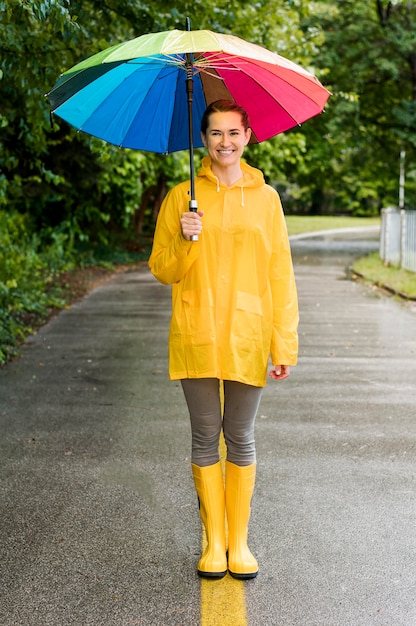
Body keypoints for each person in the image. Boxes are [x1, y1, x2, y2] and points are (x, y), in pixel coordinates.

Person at [148, 100, 298, 580]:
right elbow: (162, 269)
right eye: (215, 134)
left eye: (234, 133)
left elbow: (281, 274)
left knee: (241, 435)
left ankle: (240, 543)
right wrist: (185, 239)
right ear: (203, 139)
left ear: (249, 136)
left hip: (249, 332)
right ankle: (213, 542)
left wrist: (284, 343)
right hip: (197, 330)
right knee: (204, 435)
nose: (225, 143)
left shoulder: (267, 198)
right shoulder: (181, 197)